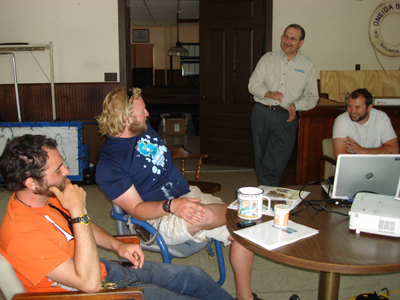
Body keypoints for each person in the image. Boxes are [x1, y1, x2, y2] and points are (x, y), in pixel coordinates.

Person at [0, 134, 235, 300]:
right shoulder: (22, 234)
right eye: (58, 170)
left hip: (103, 269)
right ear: (31, 183)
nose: (66, 172)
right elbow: (88, 285)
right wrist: (78, 211)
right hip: (84, 293)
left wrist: (118, 245)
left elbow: (83, 227)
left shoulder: (46, 197)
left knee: (193, 276)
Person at [95, 87, 261, 300]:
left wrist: (180, 201)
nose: (147, 114)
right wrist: (172, 206)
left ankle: (244, 297)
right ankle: (236, 215)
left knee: (244, 231)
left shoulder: (142, 129)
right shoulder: (110, 163)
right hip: (154, 219)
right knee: (212, 215)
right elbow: (136, 210)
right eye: (142, 110)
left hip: (186, 195)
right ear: (125, 118)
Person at [248, 24, 319, 187]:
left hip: (286, 117)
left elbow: (311, 97)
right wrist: (267, 93)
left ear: (301, 43)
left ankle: (266, 196)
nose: (287, 41)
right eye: (285, 36)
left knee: (275, 162)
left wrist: (296, 104)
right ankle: (265, 196)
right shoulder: (268, 58)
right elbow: (253, 84)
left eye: (293, 38)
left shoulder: (307, 65)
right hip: (261, 113)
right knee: (261, 160)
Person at [332, 88, 399, 159]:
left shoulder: (381, 117)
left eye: (357, 107)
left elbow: (394, 150)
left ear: (369, 108)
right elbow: (340, 156)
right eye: (349, 106)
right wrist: (378, 153)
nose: (352, 111)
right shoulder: (342, 120)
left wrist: (362, 151)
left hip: (378, 166)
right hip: (353, 167)